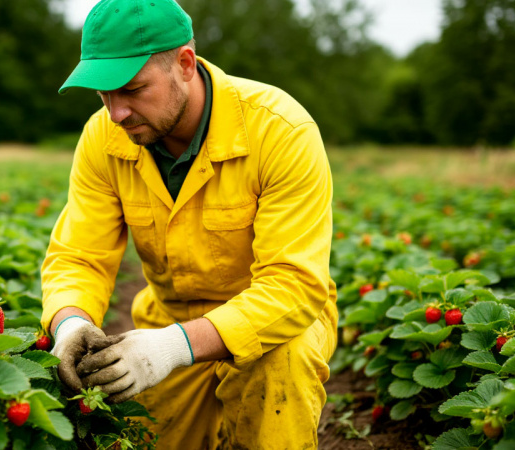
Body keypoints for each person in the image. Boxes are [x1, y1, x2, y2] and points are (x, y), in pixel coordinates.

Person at [40, 0, 338, 448]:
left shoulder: (280, 130)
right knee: (139, 437)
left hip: (274, 326)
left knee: (282, 365)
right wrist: (69, 323)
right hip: (166, 319)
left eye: (132, 89)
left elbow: (293, 286)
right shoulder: (103, 138)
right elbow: (79, 256)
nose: (116, 112)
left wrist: (173, 348)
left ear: (184, 63)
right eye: (103, 93)